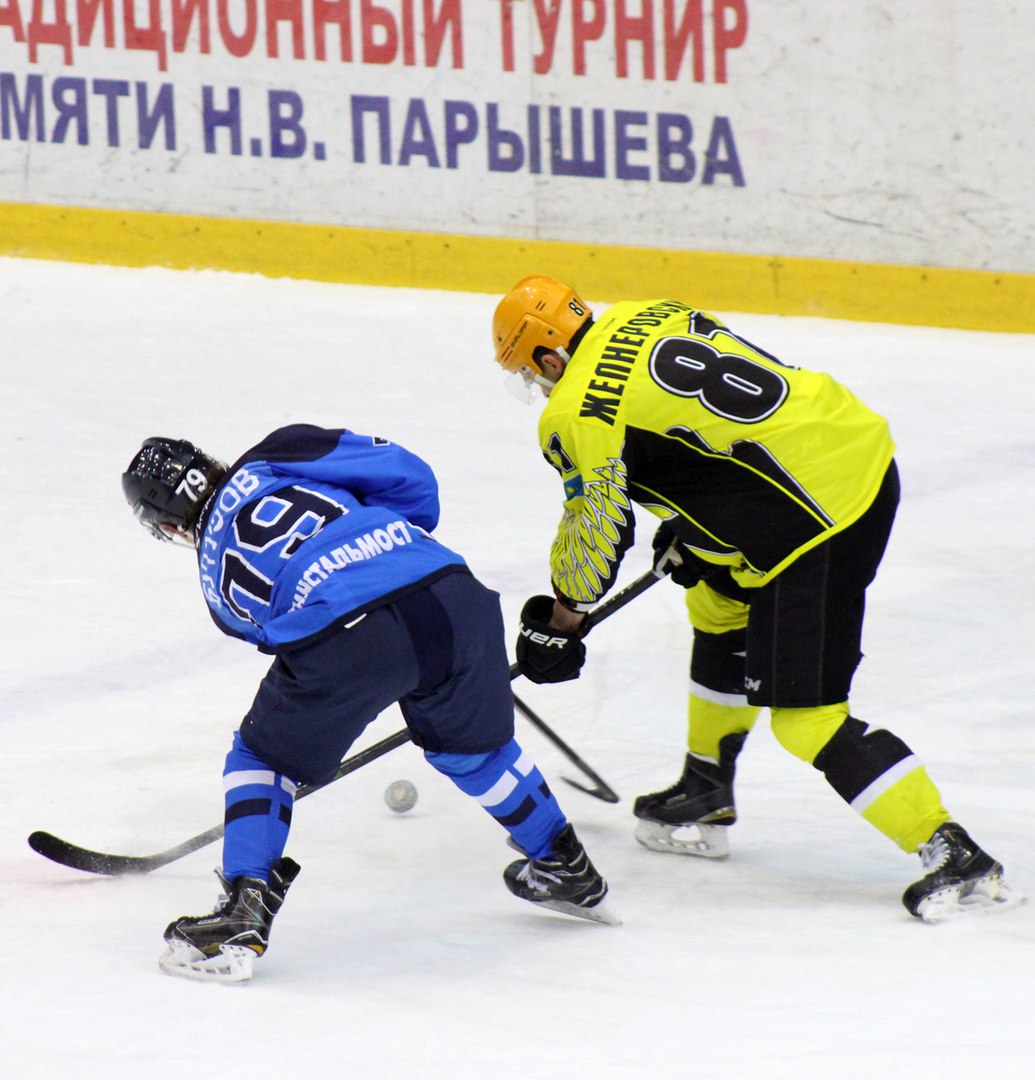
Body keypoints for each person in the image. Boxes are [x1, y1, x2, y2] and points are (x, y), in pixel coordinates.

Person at [491, 274, 1022, 922]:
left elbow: (596, 524)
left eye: (531, 372)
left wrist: (562, 620)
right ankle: (704, 787)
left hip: (820, 523)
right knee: (717, 600)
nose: (539, 385)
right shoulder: (648, 313)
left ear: (550, 357)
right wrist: (702, 526)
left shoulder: (573, 411)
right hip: (846, 444)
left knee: (806, 719)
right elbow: (714, 426)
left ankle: (952, 850)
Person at [121, 423, 618, 983]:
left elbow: (280, 633)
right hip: (451, 590)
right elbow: (411, 476)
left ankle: (242, 911)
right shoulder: (277, 451)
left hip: (352, 632)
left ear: (168, 526)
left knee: (262, 757)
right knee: (475, 752)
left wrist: (374, 652)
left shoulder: (214, 582)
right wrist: (392, 546)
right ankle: (564, 865)